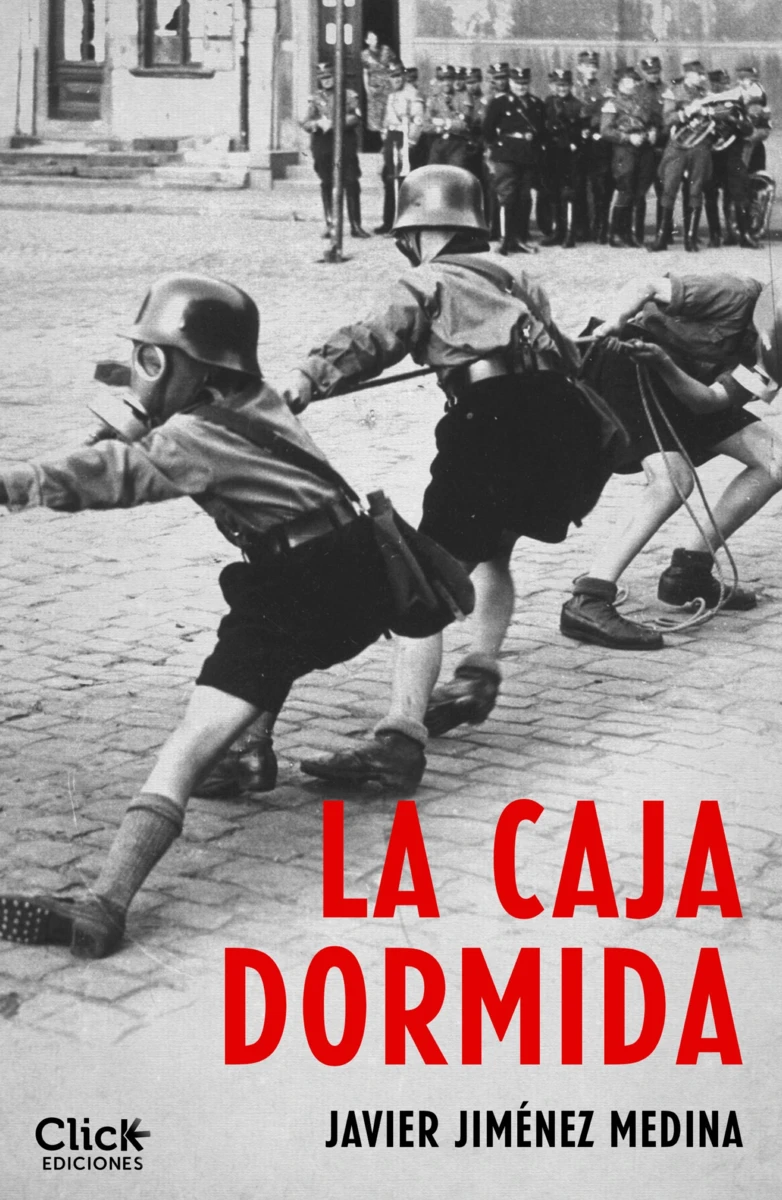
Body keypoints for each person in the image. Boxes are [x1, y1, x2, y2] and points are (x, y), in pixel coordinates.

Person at [0, 273, 453, 957]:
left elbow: (111, 475)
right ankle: (252, 752)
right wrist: (139, 403)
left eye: (156, 360)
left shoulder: (190, 439)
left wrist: (18, 482)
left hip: (300, 584)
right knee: (274, 646)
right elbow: (167, 421)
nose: (145, 374)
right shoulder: (255, 396)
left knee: (189, 741)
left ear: (196, 366)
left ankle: (105, 904)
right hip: (356, 564)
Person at [289, 165, 624, 788]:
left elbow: (372, 339)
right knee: (495, 550)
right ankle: (478, 672)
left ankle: (399, 739)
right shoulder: (516, 275)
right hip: (557, 421)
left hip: (491, 423)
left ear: (420, 231)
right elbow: (562, 351)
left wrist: (307, 378)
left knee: (423, 582)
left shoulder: (425, 280)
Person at [560, 271, 782, 650]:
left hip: (675, 377)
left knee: (774, 460)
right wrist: (615, 321)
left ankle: (689, 572)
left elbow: (708, 401)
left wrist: (666, 364)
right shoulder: (735, 293)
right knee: (673, 481)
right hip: (625, 360)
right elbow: (642, 285)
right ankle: (589, 598)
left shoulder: (776, 358)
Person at [300, 61, 370, 239]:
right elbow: (305, 122)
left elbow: (356, 117)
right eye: (322, 78)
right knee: (327, 182)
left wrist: (336, 123)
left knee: (351, 181)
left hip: (345, 142)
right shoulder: (315, 98)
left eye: (329, 77)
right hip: (323, 144)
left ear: (336, 76)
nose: (326, 81)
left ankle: (355, 225)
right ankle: (331, 224)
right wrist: (317, 124)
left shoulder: (348, 95)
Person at [482, 64, 545, 254]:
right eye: (517, 83)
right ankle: (505, 239)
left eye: (524, 83)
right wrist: (498, 148)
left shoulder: (536, 103)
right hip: (506, 155)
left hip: (528, 155)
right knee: (507, 196)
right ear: (510, 82)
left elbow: (541, 130)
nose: (521, 86)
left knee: (525, 197)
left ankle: (521, 237)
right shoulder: (500, 102)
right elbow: (488, 130)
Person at [651, 60, 712, 253]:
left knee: (696, 189)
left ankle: (690, 238)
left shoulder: (705, 94)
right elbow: (667, 119)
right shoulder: (673, 92)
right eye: (697, 75)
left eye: (701, 75)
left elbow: (715, 118)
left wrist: (708, 111)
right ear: (687, 75)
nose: (700, 78)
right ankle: (662, 237)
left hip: (699, 145)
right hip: (678, 145)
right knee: (669, 187)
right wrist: (687, 112)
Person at [600, 66, 661, 248]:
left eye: (635, 81)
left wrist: (653, 131)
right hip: (624, 151)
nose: (632, 84)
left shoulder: (643, 102)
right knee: (625, 191)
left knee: (640, 191)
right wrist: (627, 138)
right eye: (628, 81)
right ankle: (616, 234)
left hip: (644, 149)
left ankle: (634, 234)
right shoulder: (612, 104)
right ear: (619, 84)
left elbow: (653, 121)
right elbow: (605, 131)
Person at [375, 60, 425, 233]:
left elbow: (418, 121)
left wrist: (410, 143)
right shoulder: (391, 95)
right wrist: (385, 140)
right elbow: (386, 121)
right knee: (390, 179)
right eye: (392, 76)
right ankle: (389, 222)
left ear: (404, 75)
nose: (396, 79)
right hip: (392, 139)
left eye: (398, 75)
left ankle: (406, 223)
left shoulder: (413, 94)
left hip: (405, 139)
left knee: (404, 182)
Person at [542, 69, 585, 248]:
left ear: (571, 86)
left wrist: (573, 143)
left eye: (565, 85)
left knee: (568, 193)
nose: (562, 89)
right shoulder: (547, 103)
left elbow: (581, 131)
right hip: (552, 152)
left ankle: (569, 232)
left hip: (569, 153)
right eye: (559, 85)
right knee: (552, 192)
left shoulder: (577, 105)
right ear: (553, 86)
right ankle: (556, 231)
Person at [574, 50, 613, 242]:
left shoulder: (605, 89)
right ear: (579, 67)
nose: (591, 69)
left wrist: (592, 124)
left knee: (600, 186)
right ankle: (581, 228)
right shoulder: (574, 88)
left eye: (594, 66)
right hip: (577, 141)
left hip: (597, 141)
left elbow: (606, 113)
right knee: (578, 184)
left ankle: (600, 228)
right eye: (587, 66)